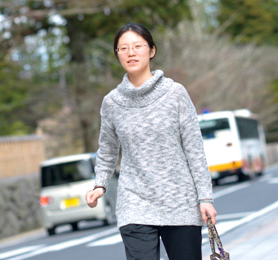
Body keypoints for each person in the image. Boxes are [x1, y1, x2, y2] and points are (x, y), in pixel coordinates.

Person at [85, 22, 217, 260]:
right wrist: (99, 184)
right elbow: (107, 150)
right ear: (117, 54)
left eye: (137, 46)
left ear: (151, 50)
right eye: (123, 48)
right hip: (134, 203)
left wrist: (205, 198)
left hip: (180, 202)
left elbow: (194, 149)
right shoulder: (112, 103)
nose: (131, 52)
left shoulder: (175, 93)